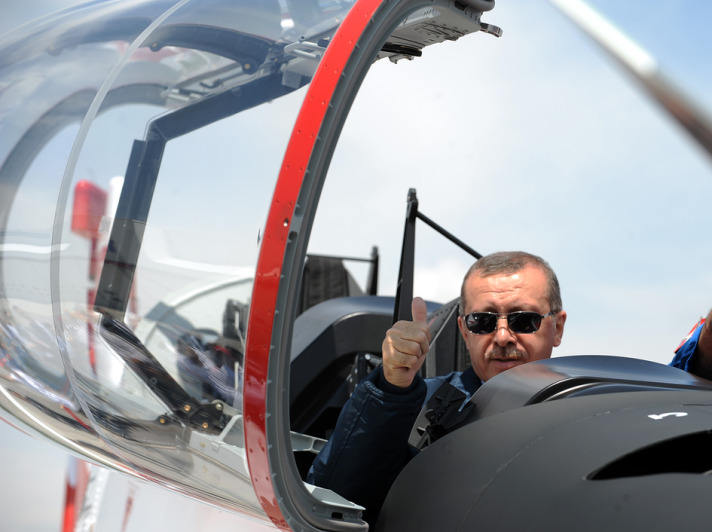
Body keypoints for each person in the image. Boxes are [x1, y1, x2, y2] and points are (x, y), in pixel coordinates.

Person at [307, 250, 712, 526]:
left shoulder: (602, 404)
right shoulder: (411, 403)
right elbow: (334, 497)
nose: (502, 336)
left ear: (558, 326)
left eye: (523, 320)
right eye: (484, 322)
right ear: (464, 331)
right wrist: (392, 388)